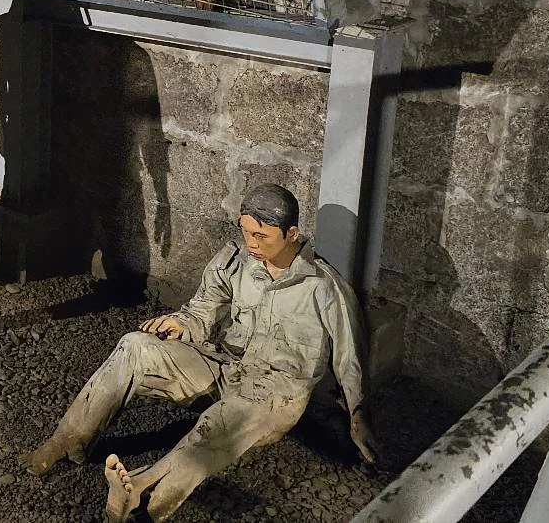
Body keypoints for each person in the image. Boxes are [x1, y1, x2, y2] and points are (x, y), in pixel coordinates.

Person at [24, 184, 376, 521]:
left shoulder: (323, 287)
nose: (251, 243)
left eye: (261, 236)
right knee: (135, 346)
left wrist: (358, 415)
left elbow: (351, 359)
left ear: (292, 234)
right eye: (246, 232)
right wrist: (181, 323)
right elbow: (204, 308)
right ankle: (67, 439)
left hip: (274, 394)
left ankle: (145, 495)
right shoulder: (235, 261)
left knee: (215, 424)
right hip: (225, 367)